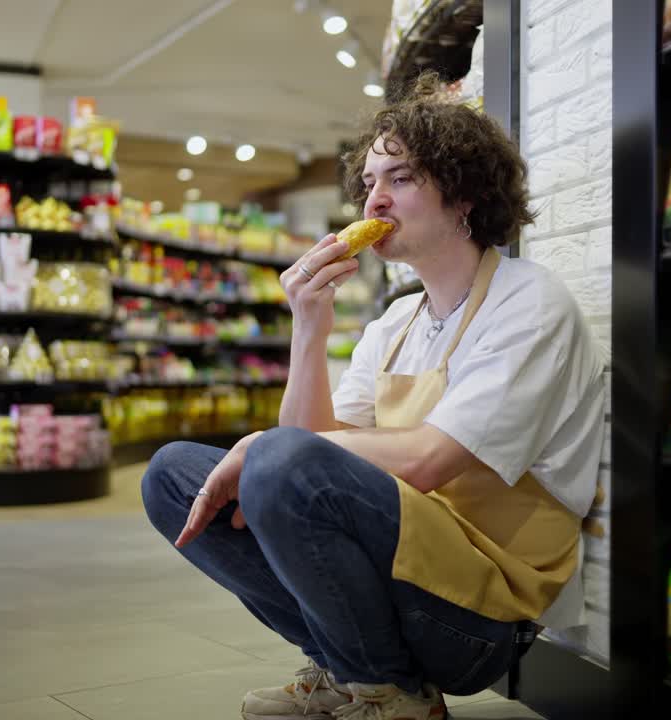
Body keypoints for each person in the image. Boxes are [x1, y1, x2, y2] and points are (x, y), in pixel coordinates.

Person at [141, 76, 607, 720]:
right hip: (405, 572)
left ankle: (394, 690)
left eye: (401, 179)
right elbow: (304, 452)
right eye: (368, 183)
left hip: (480, 610)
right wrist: (309, 326)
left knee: (278, 457)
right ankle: (352, 671)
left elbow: (427, 461)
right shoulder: (395, 324)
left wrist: (267, 448)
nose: (374, 201)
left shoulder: (529, 301)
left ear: (465, 194)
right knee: (171, 476)